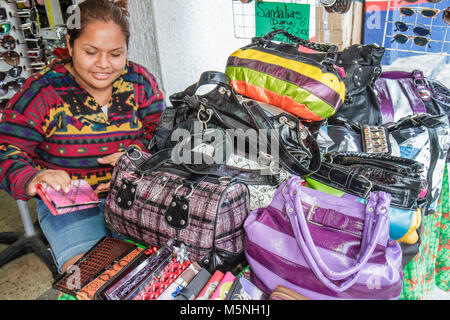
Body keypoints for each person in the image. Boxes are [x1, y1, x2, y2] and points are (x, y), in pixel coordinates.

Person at [0, 0, 165, 274]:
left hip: (135, 195)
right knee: (91, 278)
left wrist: (137, 155)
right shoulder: (43, 92)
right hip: (72, 206)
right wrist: (32, 178)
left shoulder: (139, 82)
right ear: (70, 44)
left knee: (161, 270)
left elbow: (161, 134)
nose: (103, 64)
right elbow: (6, 150)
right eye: (91, 51)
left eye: (115, 53)